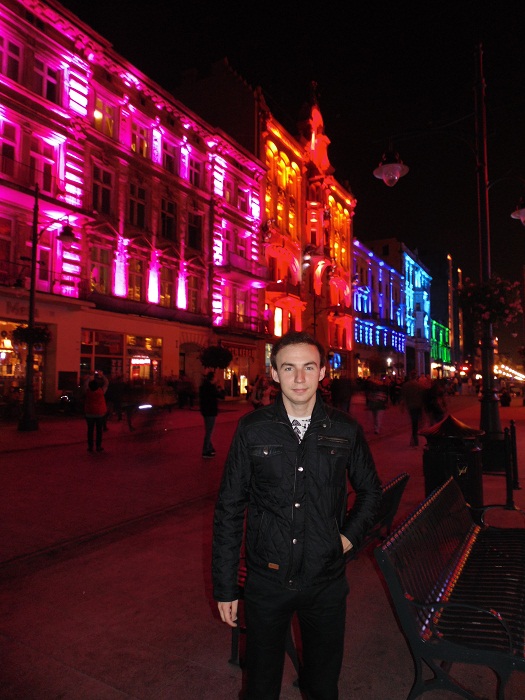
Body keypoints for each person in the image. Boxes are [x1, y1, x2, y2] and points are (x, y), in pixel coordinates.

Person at [212, 330, 382, 700]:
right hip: (266, 580)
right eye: (289, 368)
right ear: (274, 373)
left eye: (309, 367)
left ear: (323, 372)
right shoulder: (253, 429)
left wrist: (346, 539)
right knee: (260, 685)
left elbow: (371, 491)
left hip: (325, 581)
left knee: (322, 685)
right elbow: (230, 507)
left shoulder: (344, 429)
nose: (300, 378)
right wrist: (225, 585)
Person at [83, 371, 109, 453]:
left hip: (89, 413)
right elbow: (106, 383)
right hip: (100, 413)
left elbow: (85, 385)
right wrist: (102, 375)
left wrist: (89, 377)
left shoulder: (87, 392)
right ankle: (98, 446)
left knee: (90, 431)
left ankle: (90, 447)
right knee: (99, 431)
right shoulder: (101, 392)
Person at [400, 370, 425, 447]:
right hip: (419, 405)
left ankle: (414, 437)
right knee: (417, 422)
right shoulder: (420, 386)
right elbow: (423, 397)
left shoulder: (406, 385)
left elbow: (403, 397)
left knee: (414, 422)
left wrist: (402, 406)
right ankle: (415, 437)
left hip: (411, 406)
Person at [199, 371, 220, 458]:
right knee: (209, 431)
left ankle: (210, 447)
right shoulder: (211, 387)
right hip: (211, 411)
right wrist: (220, 389)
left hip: (206, 411)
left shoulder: (204, 386)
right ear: (212, 378)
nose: (216, 378)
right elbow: (219, 396)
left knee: (208, 429)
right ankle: (205, 450)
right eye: (215, 377)